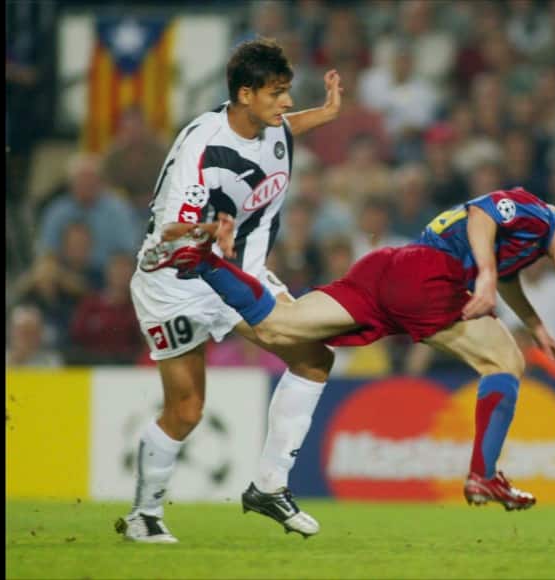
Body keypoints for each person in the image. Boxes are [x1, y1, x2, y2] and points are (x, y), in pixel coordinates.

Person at [144, 190, 555, 513]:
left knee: (280, 329)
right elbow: (482, 215)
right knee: (505, 362)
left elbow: (506, 272)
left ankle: (199, 261)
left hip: (391, 270)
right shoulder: (533, 211)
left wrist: (535, 323)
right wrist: (480, 275)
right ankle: (484, 476)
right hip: (429, 276)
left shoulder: (535, 242)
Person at [116, 38, 344, 543]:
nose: (286, 103)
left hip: (238, 270)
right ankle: (144, 515)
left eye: (287, 93)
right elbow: (173, 228)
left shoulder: (267, 123)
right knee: (186, 411)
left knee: (313, 358)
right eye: (277, 93)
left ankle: (268, 485)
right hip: (174, 279)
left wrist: (324, 114)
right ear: (245, 94)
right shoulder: (203, 147)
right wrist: (206, 231)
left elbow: (284, 130)